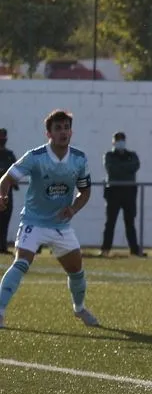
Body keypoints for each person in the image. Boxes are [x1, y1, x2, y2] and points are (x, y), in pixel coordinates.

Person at [0, 110, 99, 329]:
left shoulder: (79, 158)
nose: (63, 132)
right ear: (49, 134)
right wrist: (3, 194)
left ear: (71, 131)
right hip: (33, 222)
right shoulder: (35, 157)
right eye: (58, 128)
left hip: (60, 225)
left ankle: (79, 308)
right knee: (22, 262)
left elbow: (85, 192)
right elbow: (6, 179)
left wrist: (73, 209)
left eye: (66, 127)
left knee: (76, 270)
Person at [101, 131, 144, 258]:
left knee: (130, 222)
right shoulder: (109, 155)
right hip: (113, 191)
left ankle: (135, 251)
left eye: (122, 139)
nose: (120, 142)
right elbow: (111, 169)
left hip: (129, 192)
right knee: (110, 222)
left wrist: (120, 168)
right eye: (117, 139)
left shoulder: (132, 155)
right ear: (113, 141)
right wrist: (125, 169)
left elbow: (135, 166)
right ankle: (105, 249)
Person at [0, 129, 17, 255]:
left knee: (5, 220)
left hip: (7, 193)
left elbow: (16, 171)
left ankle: (3, 246)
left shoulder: (9, 155)